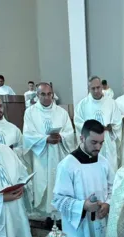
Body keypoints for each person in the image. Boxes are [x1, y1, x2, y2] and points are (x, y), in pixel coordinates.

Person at [52, 120, 114, 237]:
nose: (98, 147)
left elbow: (113, 188)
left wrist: (107, 204)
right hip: (78, 231)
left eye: (101, 143)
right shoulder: (67, 165)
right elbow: (58, 200)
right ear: (82, 138)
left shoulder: (104, 162)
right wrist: (83, 206)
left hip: (100, 222)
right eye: (94, 142)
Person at [23, 82, 77, 219]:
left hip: (59, 153)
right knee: (43, 182)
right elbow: (28, 135)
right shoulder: (30, 112)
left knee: (59, 180)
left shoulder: (61, 112)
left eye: (49, 94)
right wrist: (45, 139)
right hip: (41, 156)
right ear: (37, 95)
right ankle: (45, 213)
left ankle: (60, 212)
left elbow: (70, 133)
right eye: (43, 94)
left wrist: (61, 137)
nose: (47, 97)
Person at [74, 76, 123, 173]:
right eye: (93, 88)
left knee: (110, 169)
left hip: (107, 139)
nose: (96, 90)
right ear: (89, 89)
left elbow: (118, 122)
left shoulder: (111, 103)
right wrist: (92, 129)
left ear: (102, 87)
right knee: (92, 169)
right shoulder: (82, 104)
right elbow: (78, 122)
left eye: (98, 87)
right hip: (91, 142)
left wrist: (111, 127)